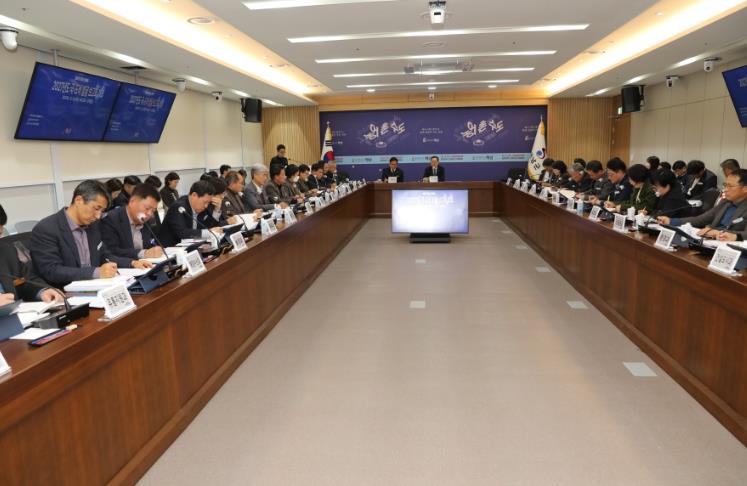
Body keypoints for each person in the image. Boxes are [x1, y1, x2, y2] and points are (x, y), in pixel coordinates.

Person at [29, 180, 147, 288]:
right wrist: (95, 272)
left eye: (102, 211)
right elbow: (51, 270)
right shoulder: (47, 229)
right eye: (96, 208)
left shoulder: (93, 226)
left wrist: (132, 263)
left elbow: (104, 256)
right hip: (64, 293)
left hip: (97, 288)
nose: (98, 216)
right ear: (79, 200)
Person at [658, 169, 747, 241]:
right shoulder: (725, 202)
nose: (725, 189)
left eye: (730, 186)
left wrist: (719, 232)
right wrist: (672, 221)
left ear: (745, 189)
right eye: (725, 185)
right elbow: (701, 219)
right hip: (711, 241)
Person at [100, 183, 164, 260]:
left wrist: (155, 250)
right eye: (147, 208)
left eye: (153, 210)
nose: (149, 214)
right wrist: (143, 253)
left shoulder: (147, 220)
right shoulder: (111, 219)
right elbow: (111, 251)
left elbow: (149, 244)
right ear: (132, 202)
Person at [159, 180, 224, 247]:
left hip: (191, 247)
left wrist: (216, 210)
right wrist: (209, 232)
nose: (206, 206)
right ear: (194, 195)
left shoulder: (200, 208)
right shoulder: (178, 207)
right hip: (170, 248)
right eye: (205, 202)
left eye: (208, 203)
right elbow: (182, 232)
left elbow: (207, 227)